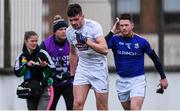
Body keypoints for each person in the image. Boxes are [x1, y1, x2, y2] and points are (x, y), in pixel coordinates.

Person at [105, 13, 168, 110]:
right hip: (121, 81)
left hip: (137, 81)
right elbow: (103, 45)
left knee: (135, 109)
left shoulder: (141, 41)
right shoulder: (115, 39)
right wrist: (112, 31)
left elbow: (155, 58)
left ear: (132, 25)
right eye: (121, 25)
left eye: (126, 25)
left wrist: (163, 77)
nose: (124, 28)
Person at [66, 3, 109, 110]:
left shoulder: (94, 26)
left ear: (82, 16)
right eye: (71, 20)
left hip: (99, 68)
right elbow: (73, 53)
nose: (73, 23)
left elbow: (104, 50)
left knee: (102, 107)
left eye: (76, 19)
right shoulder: (69, 31)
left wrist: (87, 42)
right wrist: (72, 75)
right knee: (77, 104)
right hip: (83, 68)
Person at [14, 31, 55, 110]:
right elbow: (17, 73)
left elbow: (53, 70)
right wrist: (27, 65)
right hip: (30, 90)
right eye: (32, 41)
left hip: (45, 89)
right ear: (26, 41)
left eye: (36, 41)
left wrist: (45, 66)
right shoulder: (22, 55)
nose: (34, 43)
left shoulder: (43, 53)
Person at [40, 15, 74, 110]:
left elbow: (79, 61)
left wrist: (71, 74)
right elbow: (40, 64)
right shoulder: (46, 44)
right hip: (52, 84)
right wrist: (50, 75)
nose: (64, 31)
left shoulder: (71, 42)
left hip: (68, 83)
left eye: (65, 29)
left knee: (73, 107)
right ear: (55, 32)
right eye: (60, 29)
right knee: (50, 108)